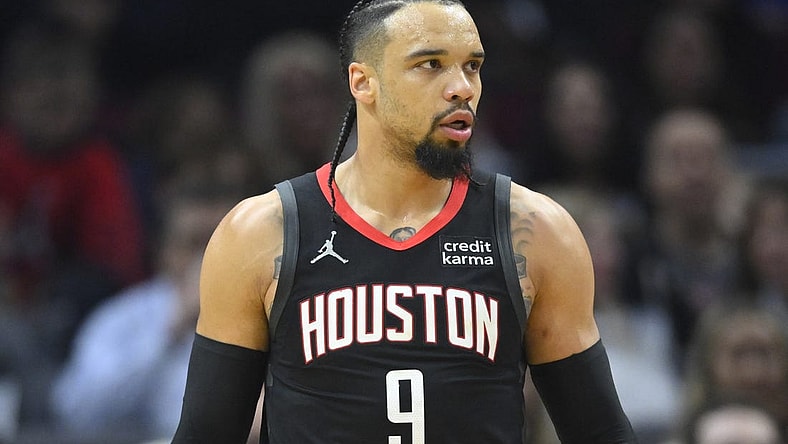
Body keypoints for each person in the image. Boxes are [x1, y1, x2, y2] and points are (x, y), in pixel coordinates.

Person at [173, 1, 636, 443]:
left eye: (472, 65)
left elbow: (600, 434)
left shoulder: (536, 230)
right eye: (431, 64)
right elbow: (205, 436)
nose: (462, 87)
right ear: (363, 83)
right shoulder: (260, 231)